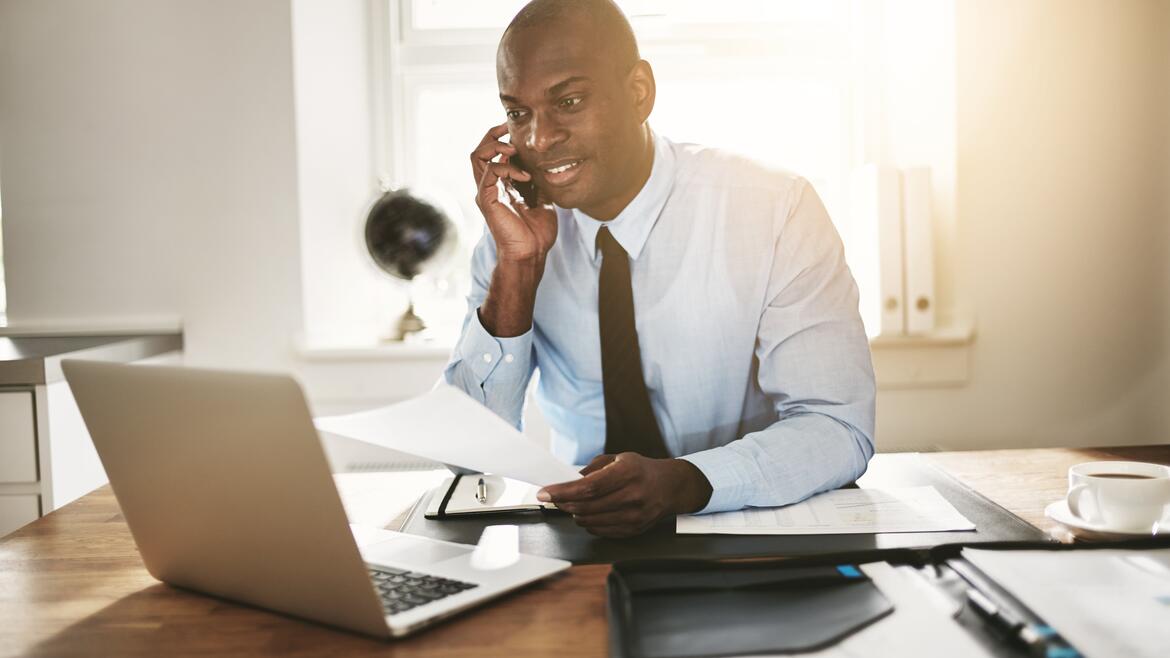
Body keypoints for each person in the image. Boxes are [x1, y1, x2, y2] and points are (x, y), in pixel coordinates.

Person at [444, 0, 875, 538]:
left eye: (569, 102)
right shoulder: (515, 238)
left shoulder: (773, 208)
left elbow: (837, 428)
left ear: (639, 92)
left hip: (751, 531)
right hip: (584, 541)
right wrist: (518, 270)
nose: (537, 139)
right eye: (517, 113)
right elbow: (467, 454)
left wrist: (685, 481)